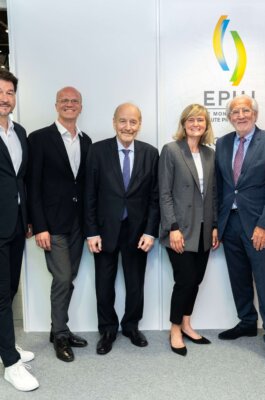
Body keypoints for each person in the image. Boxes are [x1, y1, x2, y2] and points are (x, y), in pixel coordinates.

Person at [215, 94, 265, 371]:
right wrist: (216, 224)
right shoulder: (222, 143)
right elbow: (220, 187)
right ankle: (247, 322)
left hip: (259, 225)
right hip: (230, 223)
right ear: (229, 117)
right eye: (235, 112)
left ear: (255, 114)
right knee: (239, 278)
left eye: (245, 110)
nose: (241, 115)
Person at [85, 103, 159, 355]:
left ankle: (131, 326)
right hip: (104, 230)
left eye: (133, 122)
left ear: (140, 124)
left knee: (135, 283)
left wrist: (150, 231)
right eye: (123, 121)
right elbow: (89, 194)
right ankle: (107, 329)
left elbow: (155, 197)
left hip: (138, 232)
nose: (128, 127)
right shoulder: (97, 151)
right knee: (104, 284)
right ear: (114, 122)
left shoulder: (151, 153)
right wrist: (91, 231)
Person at [28, 87, 91, 362]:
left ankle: (58, 329)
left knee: (69, 277)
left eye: (74, 101)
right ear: (56, 105)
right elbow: (33, 185)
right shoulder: (39, 138)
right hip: (52, 224)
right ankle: (61, 335)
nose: (69, 104)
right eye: (64, 100)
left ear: (80, 107)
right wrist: (39, 225)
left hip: (78, 223)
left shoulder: (86, 141)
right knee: (63, 278)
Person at [159, 104, 219, 356]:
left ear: (206, 125)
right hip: (180, 229)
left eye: (201, 120)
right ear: (184, 124)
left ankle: (186, 323)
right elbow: (164, 193)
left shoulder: (210, 154)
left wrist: (214, 225)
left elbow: (213, 193)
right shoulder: (171, 150)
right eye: (191, 120)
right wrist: (172, 227)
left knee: (196, 280)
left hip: (204, 228)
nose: (196, 124)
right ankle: (175, 329)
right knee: (184, 280)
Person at [0, 70, 39, 391]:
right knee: (1, 293)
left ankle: (4, 344)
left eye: (9, 92)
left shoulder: (19, 131)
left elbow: (20, 179)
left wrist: (27, 217)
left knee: (10, 289)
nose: (4, 98)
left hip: (15, 223)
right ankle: (10, 364)